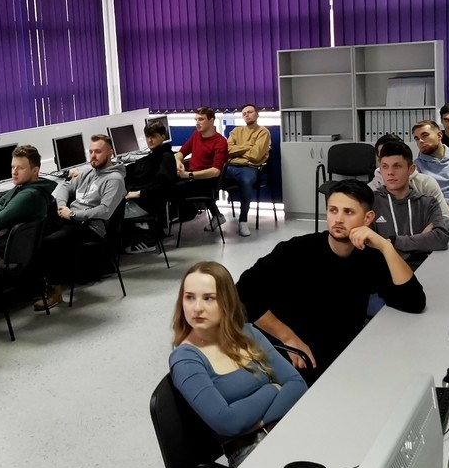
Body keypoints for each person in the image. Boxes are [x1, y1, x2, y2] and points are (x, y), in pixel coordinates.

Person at [237, 180, 426, 383]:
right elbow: (241, 293)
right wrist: (288, 337)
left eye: (348, 212)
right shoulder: (295, 251)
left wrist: (386, 247)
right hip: (295, 359)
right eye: (333, 210)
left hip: (342, 357)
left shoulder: (369, 258)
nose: (338, 219)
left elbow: (413, 301)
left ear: (368, 218)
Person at [169, 261, 307, 465]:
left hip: (288, 424)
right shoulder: (185, 359)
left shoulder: (247, 332)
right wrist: (273, 389)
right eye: (189, 297)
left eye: (208, 298)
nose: (197, 308)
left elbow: (297, 385)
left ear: (226, 301)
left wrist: (257, 422)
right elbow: (228, 423)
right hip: (250, 449)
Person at [38, 134, 126, 310]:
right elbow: (65, 186)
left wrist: (73, 215)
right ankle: (41, 283)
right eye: (91, 151)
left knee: (49, 243)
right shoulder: (87, 171)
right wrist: (62, 205)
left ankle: (55, 291)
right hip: (72, 218)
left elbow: (105, 211)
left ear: (110, 153)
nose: (93, 156)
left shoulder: (115, 179)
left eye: (98, 152)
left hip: (91, 226)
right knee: (37, 229)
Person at [0, 145, 52, 269]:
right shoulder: (27, 186)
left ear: (35, 170)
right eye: (13, 167)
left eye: (21, 168)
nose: (14, 172)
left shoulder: (29, 195)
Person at [370, 138, 449, 267]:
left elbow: (440, 239)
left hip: (421, 271)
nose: (390, 172)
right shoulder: (370, 202)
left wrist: (393, 242)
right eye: (385, 167)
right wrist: (420, 241)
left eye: (397, 166)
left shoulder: (428, 203)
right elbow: (368, 249)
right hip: (383, 272)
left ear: (411, 169)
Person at [123, 121, 179, 254]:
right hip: (140, 200)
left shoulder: (165, 157)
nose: (149, 140)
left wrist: (138, 193)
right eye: (147, 136)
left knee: (110, 212)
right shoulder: (154, 156)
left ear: (162, 137)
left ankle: (144, 241)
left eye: (153, 136)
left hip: (147, 203)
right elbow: (134, 168)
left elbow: (162, 186)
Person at [177, 107, 229, 230]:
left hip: (207, 179)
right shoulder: (196, 135)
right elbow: (181, 152)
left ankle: (189, 212)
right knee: (166, 180)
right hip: (193, 177)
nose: (197, 123)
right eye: (196, 120)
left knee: (173, 187)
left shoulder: (220, 141)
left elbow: (215, 171)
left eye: (201, 119)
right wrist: (178, 161)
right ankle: (216, 215)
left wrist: (189, 175)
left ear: (211, 121)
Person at [223, 103, 270, 237]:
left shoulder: (263, 132)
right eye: (244, 113)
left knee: (246, 181)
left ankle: (243, 221)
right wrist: (249, 146)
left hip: (250, 167)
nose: (247, 115)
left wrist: (238, 151)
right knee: (211, 176)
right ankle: (216, 215)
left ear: (257, 114)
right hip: (231, 166)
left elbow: (255, 156)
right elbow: (227, 151)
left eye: (250, 112)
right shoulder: (236, 131)